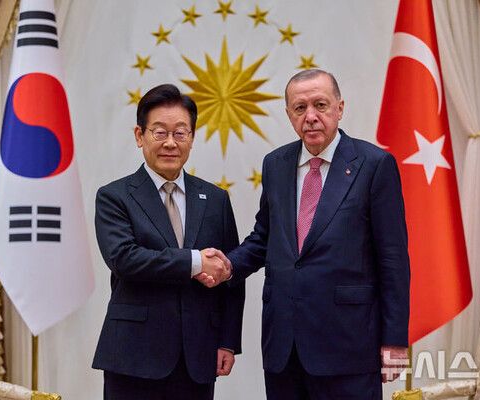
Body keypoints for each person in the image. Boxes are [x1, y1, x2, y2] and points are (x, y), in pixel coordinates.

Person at [207, 69, 410, 399]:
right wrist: (227, 266)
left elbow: (393, 259)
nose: (311, 116)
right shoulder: (276, 164)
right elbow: (264, 238)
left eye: (320, 105)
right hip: (284, 346)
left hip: (349, 344)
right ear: (289, 114)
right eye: (300, 108)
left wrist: (395, 340)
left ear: (340, 108)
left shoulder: (374, 165)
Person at [92, 84, 245, 400]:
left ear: (192, 137)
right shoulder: (114, 196)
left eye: (180, 133)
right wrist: (195, 262)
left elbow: (229, 273)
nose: (170, 143)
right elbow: (124, 259)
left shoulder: (215, 199)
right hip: (133, 355)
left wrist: (228, 341)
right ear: (140, 135)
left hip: (197, 357)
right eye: (160, 132)